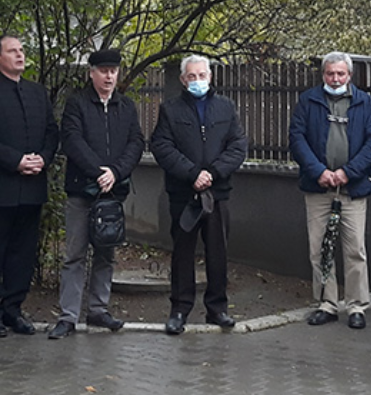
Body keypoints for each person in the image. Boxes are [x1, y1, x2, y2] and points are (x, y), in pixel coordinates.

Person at [0, 35, 59, 337]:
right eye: (12, 51)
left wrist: (43, 158)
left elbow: (51, 132)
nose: (20, 55)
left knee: (23, 254)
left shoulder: (37, 92)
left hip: (32, 186)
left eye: (21, 51)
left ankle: (13, 309)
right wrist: (16, 160)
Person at [49, 48, 144, 339]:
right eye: (103, 71)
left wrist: (115, 172)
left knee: (106, 251)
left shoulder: (126, 107)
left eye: (113, 71)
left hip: (113, 193)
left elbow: (136, 143)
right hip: (82, 190)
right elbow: (72, 140)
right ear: (91, 73)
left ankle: (98, 310)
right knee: (74, 254)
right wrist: (98, 172)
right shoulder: (77, 103)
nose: (109, 76)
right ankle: (68, 316)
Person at [150, 54, 247, 335]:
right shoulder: (170, 109)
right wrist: (192, 173)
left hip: (217, 193)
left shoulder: (226, 107)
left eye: (201, 75)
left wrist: (213, 174)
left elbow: (238, 146)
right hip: (184, 194)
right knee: (182, 253)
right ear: (183, 79)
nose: (197, 81)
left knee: (218, 252)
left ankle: (217, 309)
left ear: (210, 77)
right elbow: (162, 146)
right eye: (191, 76)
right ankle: (179, 310)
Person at [288, 51, 371, 330]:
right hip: (318, 188)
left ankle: (356, 306)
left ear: (349, 75)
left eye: (340, 74)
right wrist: (318, 171)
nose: (335, 79)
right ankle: (327, 304)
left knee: (355, 249)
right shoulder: (308, 101)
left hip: (352, 189)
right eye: (330, 73)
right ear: (323, 75)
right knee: (320, 249)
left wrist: (348, 172)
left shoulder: (366, 103)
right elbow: (296, 139)